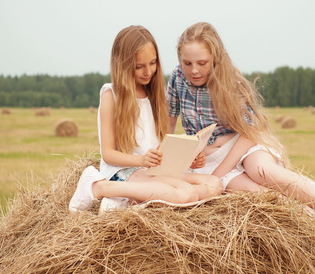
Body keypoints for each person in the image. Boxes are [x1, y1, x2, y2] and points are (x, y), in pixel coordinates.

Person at [166, 22, 315, 260]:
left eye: (202, 63)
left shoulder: (230, 82)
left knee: (262, 170)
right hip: (208, 157)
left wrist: (217, 176)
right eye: (187, 63)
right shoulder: (177, 79)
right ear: (179, 60)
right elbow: (167, 124)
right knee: (265, 197)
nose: (194, 70)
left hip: (243, 143)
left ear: (215, 58)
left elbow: (249, 132)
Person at [69, 25, 222, 213]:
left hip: (152, 171)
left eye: (152, 63)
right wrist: (142, 160)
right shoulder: (111, 95)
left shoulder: (155, 95)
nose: (148, 71)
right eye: (139, 66)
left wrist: (189, 156)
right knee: (186, 194)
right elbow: (108, 154)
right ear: (123, 65)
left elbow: (159, 145)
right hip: (123, 172)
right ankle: (100, 188)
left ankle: (130, 201)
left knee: (214, 184)